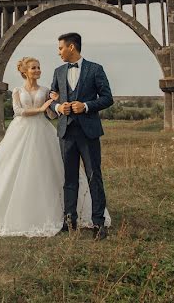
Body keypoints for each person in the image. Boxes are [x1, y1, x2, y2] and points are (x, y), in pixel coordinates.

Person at [0, 56, 109, 237]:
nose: (37, 70)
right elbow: (18, 111)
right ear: (25, 71)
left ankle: (68, 214)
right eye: (33, 68)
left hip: (42, 130)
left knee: (47, 170)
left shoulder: (46, 90)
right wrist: (40, 109)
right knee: (14, 168)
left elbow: (52, 115)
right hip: (21, 131)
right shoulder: (17, 90)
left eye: (38, 67)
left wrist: (57, 105)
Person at [50, 32, 114, 240]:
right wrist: (60, 107)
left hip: (89, 132)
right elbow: (51, 100)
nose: (58, 52)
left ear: (71, 47)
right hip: (66, 133)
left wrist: (85, 106)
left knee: (94, 176)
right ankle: (70, 222)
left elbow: (107, 98)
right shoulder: (58, 72)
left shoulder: (96, 69)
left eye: (60, 48)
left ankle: (98, 224)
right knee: (69, 179)